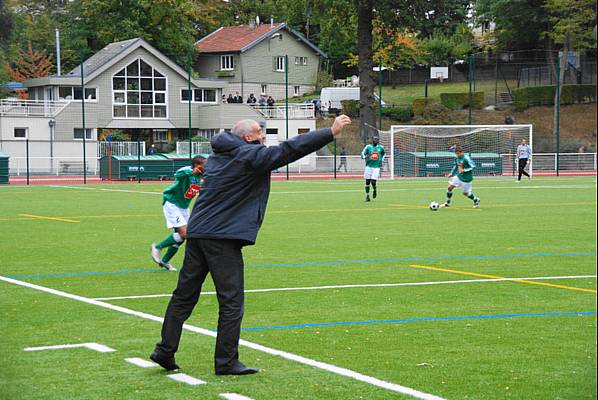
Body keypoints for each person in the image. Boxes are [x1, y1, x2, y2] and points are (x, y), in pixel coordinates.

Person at [150, 115, 352, 375]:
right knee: (231, 301)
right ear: (248, 138)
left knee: (184, 296)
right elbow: (288, 150)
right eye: (259, 133)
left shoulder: (217, 158)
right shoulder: (248, 156)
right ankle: (226, 362)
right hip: (221, 238)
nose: (263, 137)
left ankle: (164, 349)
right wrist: (329, 132)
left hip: (199, 233)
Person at [150, 156, 206, 271]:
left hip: (184, 207)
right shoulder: (187, 171)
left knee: (182, 237)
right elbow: (178, 174)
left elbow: (197, 190)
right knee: (184, 233)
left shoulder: (202, 177)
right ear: (197, 165)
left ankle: (164, 261)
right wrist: (191, 172)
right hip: (172, 203)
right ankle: (157, 247)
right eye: (205, 164)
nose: (207, 166)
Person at [361, 136, 385, 201]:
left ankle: (374, 189)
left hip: (376, 167)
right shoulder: (368, 147)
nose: (376, 141)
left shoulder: (381, 148)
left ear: (378, 141)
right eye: (374, 139)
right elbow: (362, 153)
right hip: (368, 166)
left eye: (377, 140)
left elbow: (383, 154)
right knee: (367, 182)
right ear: (372, 140)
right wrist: (364, 156)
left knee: (373, 181)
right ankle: (367, 196)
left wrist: (382, 160)